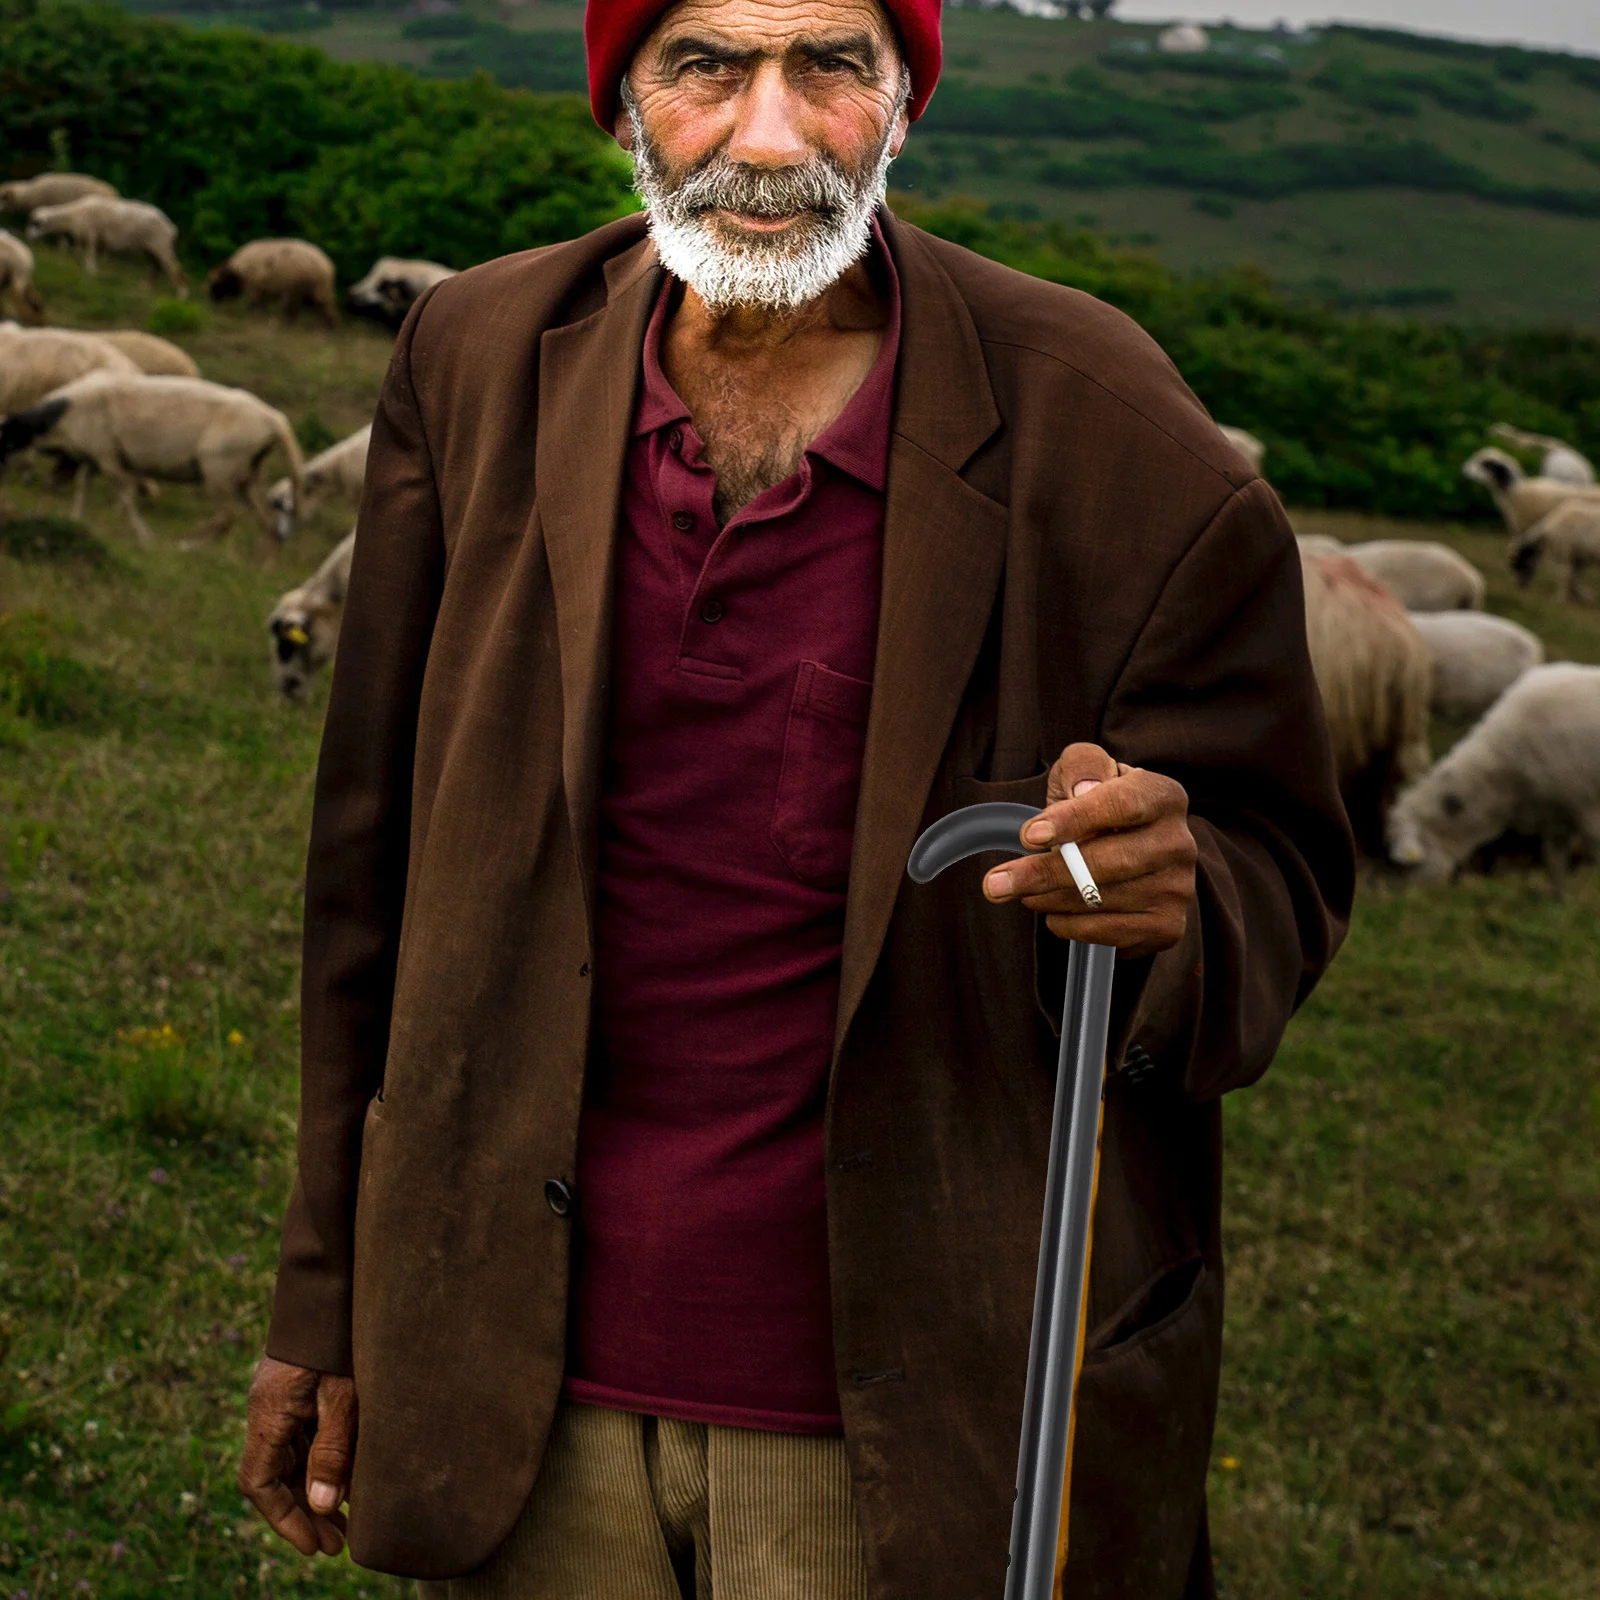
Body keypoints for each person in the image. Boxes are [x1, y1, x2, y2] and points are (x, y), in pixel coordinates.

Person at [237, 0, 1355, 1591]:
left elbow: (1279, 880)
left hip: (909, 1417)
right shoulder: (478, 353)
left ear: (906, 101)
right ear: (622, 97)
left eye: (830, 64)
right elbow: (368, 871)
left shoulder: (1114, 431)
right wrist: (322, 1293)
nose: (768, 136)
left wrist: (1177, 894)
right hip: (513, 1384)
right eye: (704, 64)